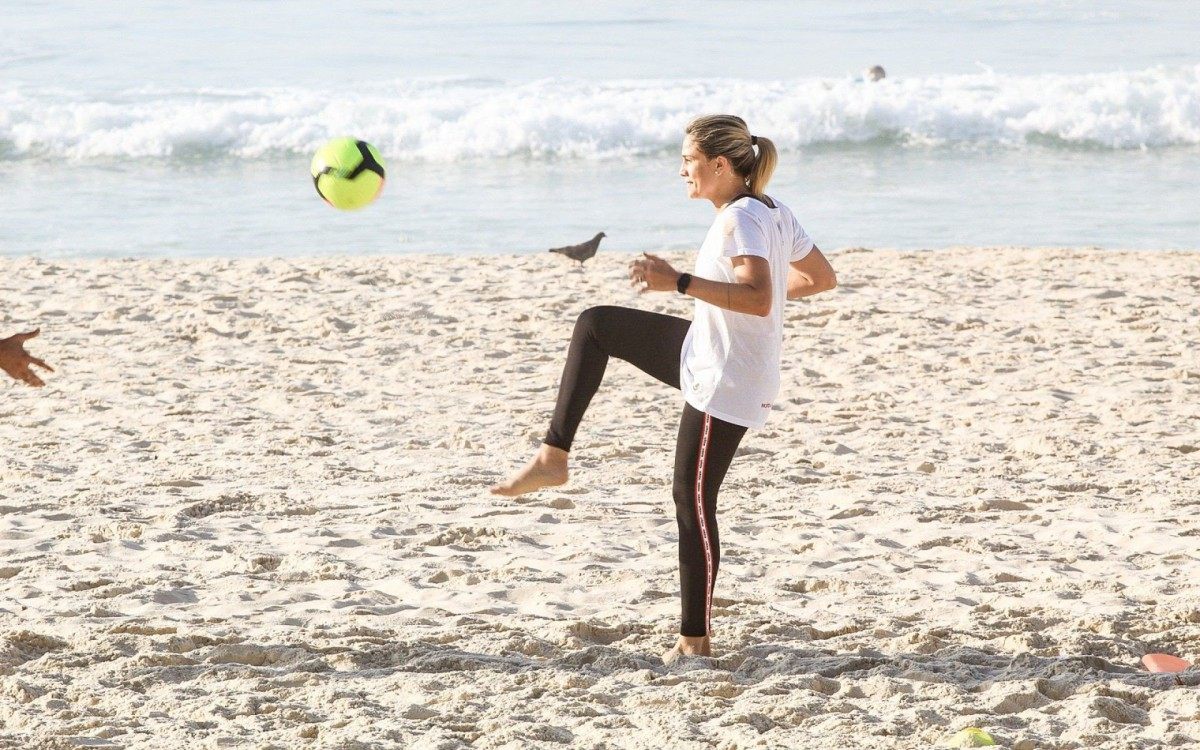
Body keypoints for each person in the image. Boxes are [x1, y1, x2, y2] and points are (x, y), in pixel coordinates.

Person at [490, 114, 837, 663]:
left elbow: (758, 296)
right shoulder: (771, 211)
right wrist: (748, 316)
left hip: (725, 379)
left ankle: (694, 642)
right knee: (597, 325)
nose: (682, 172)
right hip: (707, 349)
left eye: (688, 162)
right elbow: (819, 278)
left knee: (693, 499)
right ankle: (552, 456)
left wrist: (678, 282)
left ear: (720, 165)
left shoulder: (740, 220)